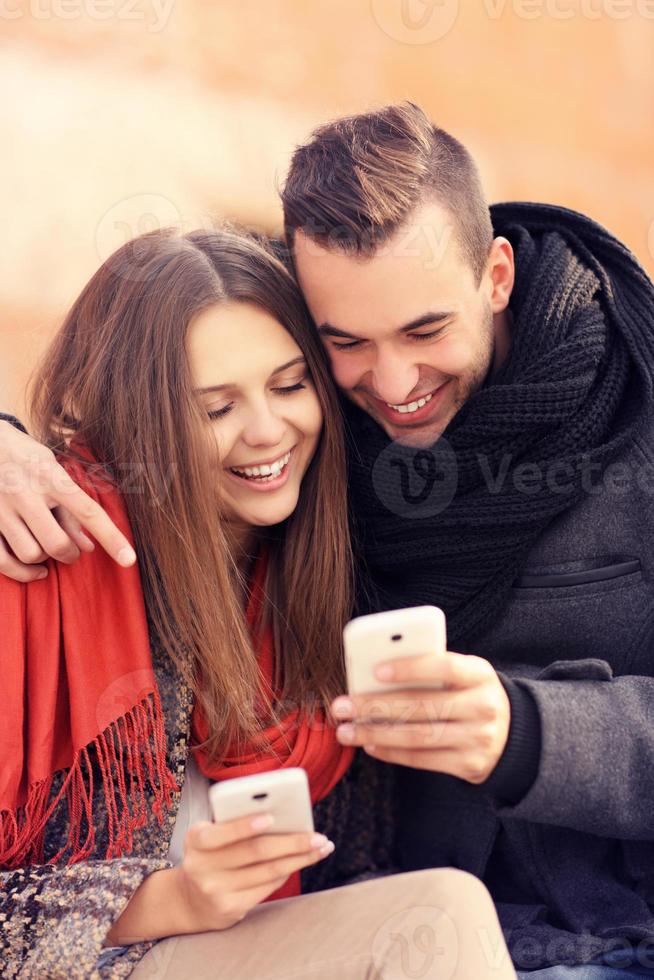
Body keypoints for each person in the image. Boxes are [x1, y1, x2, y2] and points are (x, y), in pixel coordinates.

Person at [3, 101, 654, 978]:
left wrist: (530, 735)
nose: (392, 384)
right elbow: (142, 375)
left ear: (495, 276)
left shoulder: (631, 410)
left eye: (425, 331)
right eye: (343, 344)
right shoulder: (293, 476)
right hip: (418, 913)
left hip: (602, 917)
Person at [0, 226, 515, 979]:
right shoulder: (36, 557)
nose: (269, 431)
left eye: (289, 384)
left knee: (436, 915)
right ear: (136, 419)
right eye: (215, 409)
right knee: (439, 918)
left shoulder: (320, 566)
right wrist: (175, 900)